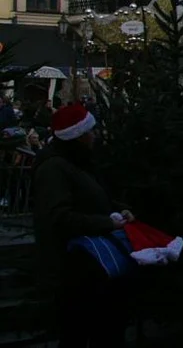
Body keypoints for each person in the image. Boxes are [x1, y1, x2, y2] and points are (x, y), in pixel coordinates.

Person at [32, 102, 134, 347]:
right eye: (91, 131)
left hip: (94, 267)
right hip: (76, 271)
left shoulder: (79, 163)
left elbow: (95, 198)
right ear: (78, 136)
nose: (95, 136)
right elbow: (59, 218)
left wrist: (119, 210)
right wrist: (107, 223)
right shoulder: (55, 169)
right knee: (79, 333)